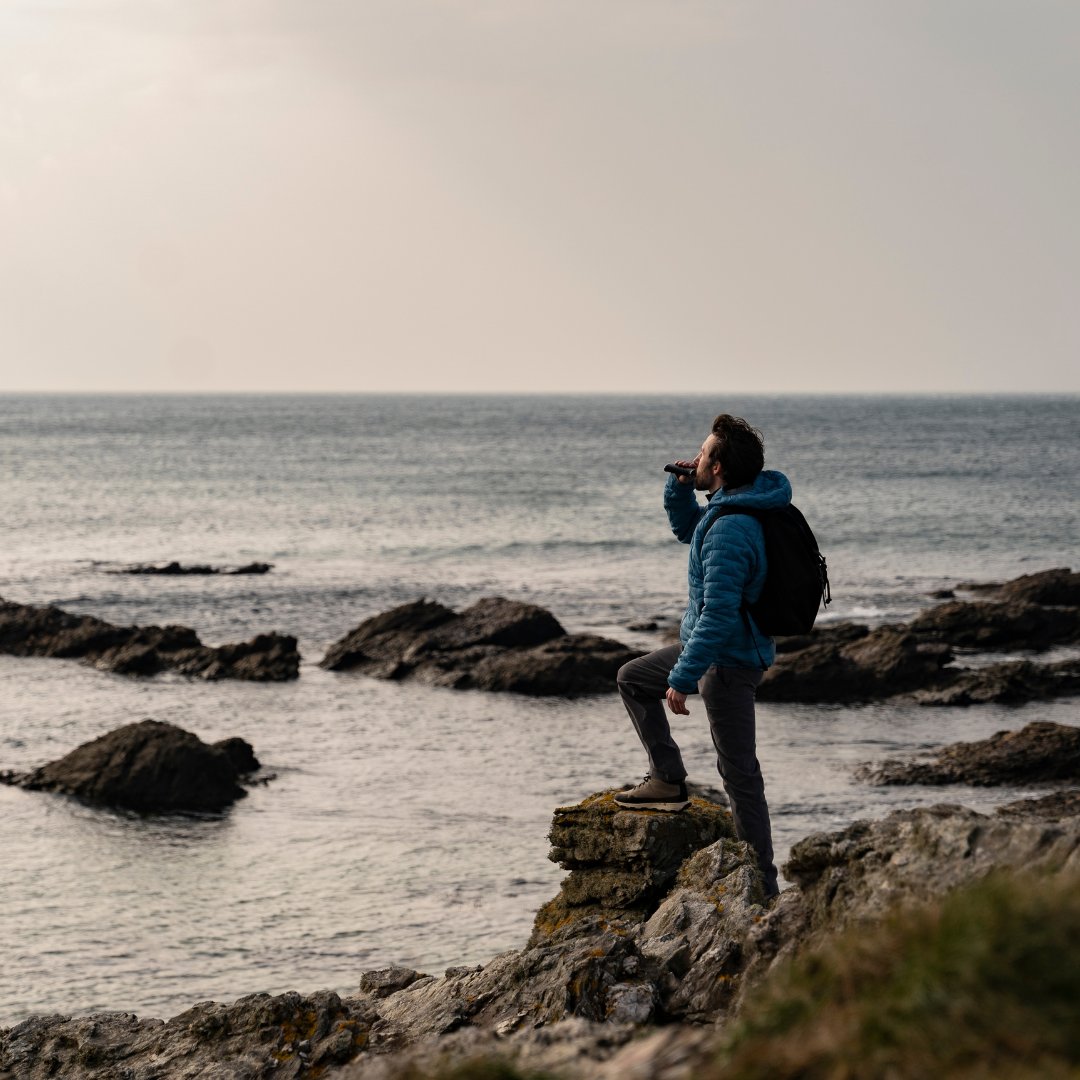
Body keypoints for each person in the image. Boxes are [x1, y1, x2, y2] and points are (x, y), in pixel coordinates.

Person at [614, 413, 790, 898]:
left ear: (719, 468)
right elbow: (691, 532)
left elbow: (720, 613)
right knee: (632, 678)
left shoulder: (734, 528)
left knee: (739, 775)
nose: (695, 457)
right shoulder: (728, 508)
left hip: (729, 661)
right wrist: (680, 489)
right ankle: (667, 778)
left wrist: (684, 675)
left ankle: (763, 886)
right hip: (713, 649)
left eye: (703, 453)